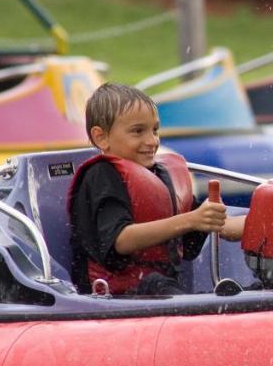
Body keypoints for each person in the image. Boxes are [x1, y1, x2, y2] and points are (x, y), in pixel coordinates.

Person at [69, 83, 245, 296]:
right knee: (164, 289)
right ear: (101, 138)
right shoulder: (101, 176)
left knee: (244, 291)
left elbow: (219, 226)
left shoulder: (158, 176)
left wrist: (263, 223)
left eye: (154, 130)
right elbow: (121, 241)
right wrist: (191, 220)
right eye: (137, 131)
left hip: (157, 285)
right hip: (118, 294)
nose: (152, 141)